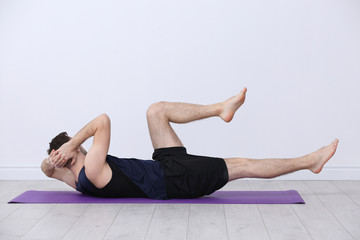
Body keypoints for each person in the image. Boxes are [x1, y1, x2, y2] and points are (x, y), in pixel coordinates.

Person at [41, 88, 339, 199]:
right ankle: (309, 162)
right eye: (72, 147)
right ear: (73, 151)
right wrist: (72, 144)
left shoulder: (75, 180)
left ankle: (220, 108)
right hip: (175, 181)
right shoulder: (89, 169)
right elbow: (102, 120)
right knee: (241, 165)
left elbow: (46, 169)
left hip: (163, 168)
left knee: (156, 111)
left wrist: (55, 158)